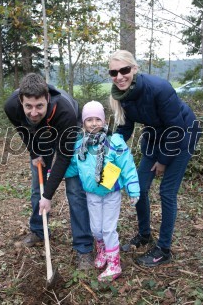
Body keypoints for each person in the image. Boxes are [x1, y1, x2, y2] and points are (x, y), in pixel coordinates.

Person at [108, 50, 202, 267]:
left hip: (183, 134)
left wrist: (163, 161)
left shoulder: (159, 88)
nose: (119, 76)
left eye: (124, 70)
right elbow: (125, 128)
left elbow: (176, 128)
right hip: (155, 135)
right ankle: (144, 235)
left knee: (167, 192)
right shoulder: (122, 95)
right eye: (114, 72)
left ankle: (164, 249)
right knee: (139, 187)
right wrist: (109, 152)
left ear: (134, 69)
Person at [4, 73, 95, 269]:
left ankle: (84, 247)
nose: (34, 112)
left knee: (75, 191)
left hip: (68, 132)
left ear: (47, 98)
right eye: (28, 106)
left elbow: (63, 157)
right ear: (21, 101)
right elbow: (22, 129)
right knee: (38, 187)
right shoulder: (11, 106)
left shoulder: (65, 112)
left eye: (39, 106)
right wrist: (33, 151)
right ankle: (38, 230)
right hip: (40, 137)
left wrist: (49, 195)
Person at [65, 101, 140, 281]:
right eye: (88, 119)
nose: (93, 123)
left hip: (111, 193)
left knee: (108, 229)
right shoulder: (80, 145)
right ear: (83, 123)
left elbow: (127, 165)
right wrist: (55, 173)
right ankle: (103, 252)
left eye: (97, 119)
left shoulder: (114, 141)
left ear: (104, 120)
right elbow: (74, 167)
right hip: (92, 194)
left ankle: (114, 265)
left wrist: (133, 188)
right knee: (95, 229)